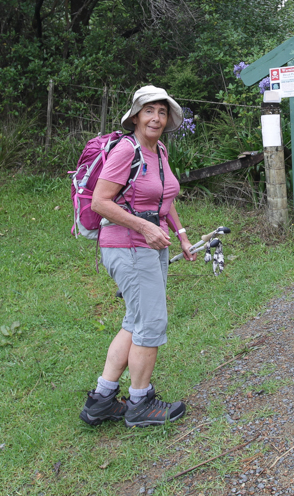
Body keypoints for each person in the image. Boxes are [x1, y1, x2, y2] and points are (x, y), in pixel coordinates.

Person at [80, 85, 195, 428]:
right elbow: (101, 202)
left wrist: (182, 235)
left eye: (162, 112)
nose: (156, 118)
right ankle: (140, 404)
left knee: (135, 321)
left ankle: (101, 401)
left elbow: (165, 197)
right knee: (151, 322)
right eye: (150, 111)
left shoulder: (158, 150)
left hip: (152, 244)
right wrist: (144, 229)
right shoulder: (126, 151)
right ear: (135, 116)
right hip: (127, 245)